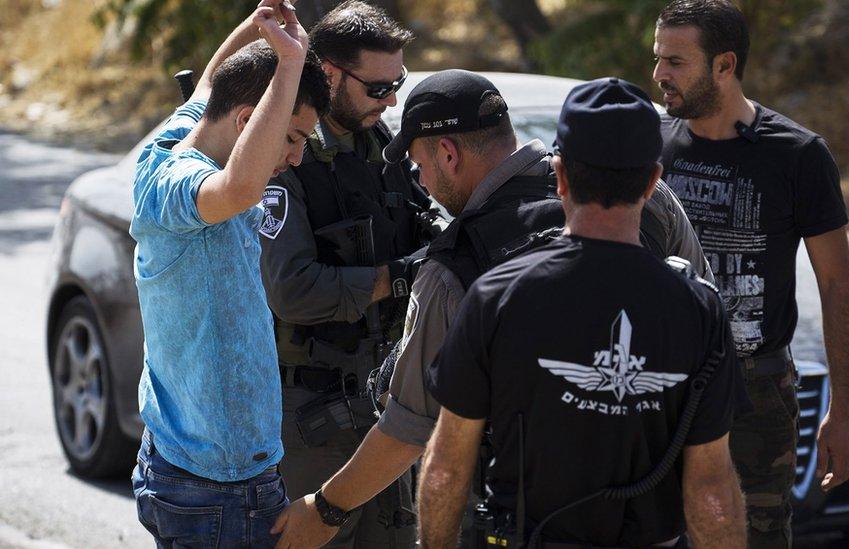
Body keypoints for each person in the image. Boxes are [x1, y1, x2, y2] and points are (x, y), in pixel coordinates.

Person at [271, 69, 712, 548]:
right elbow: (705, 328)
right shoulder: (647, 201)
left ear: (447, 153)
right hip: (652, 521)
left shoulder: (453, 269)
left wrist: (327, 507)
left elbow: (409, 429)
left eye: (419, 165)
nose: (421, 182)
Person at [418, 77, 746, 549]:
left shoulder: (497, 296)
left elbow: (447, 468)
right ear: (654, 181)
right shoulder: (697, 308)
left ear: (560, 174)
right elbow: (711, 488)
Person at [652, 1, 849, 546]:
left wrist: (842, 413)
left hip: (754, 393)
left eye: (676, 61)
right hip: (656, 386)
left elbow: (838, 283)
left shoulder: (797, 155)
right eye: (658, 59)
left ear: (724, 65)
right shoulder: (651, 145)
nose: (659, 75)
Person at [128, 2, 329, 547]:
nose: (296, 157)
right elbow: (240, 189)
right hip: (215, 488)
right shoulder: (176, 185)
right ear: (248, 122)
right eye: (292, 137)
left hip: (189, 463)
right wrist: (290, 66)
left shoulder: (185, 132)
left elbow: (212, 84)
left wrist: (261, 24)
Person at [258, 2, 429, 546]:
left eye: (396, 83)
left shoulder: (382, 147)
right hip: (313, 417)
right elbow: (293, 290)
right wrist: (397, 277)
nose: (392, 99)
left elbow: (426, 225)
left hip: (383, 406)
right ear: (328, 73)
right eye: (378, 88)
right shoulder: (286, 155)